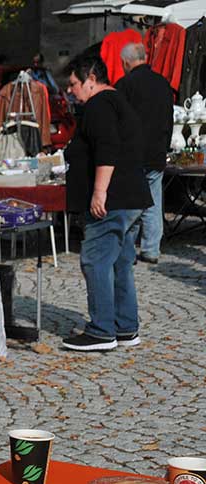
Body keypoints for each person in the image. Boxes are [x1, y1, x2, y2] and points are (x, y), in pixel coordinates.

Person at [62, 55, 152, 352]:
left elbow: (108, 148)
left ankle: (102, 330)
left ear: (90, 79)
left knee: (97, 260)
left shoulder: (99, 105)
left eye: (73, 84)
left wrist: (99, 192)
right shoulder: (119, 102)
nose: (71, 91)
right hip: (130, 197)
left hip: (113, 200)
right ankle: (125, 327)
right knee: (120, 262)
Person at [116, 42, 174, 264]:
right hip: (157, 150)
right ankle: (151, 249)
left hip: (133, 152)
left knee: (132, 201)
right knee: (153, 200)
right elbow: (169, 118)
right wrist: (165, 145)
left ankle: (127, 250)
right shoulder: (162, 83)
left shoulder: (125, 85)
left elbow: (118, 121)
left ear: (126, 62)